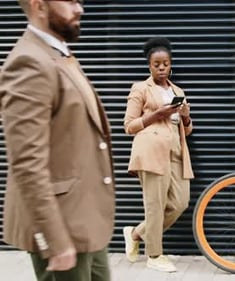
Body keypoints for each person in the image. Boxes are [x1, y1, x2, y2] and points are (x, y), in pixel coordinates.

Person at [0, 0, 115, 281]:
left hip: (83, 218)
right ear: (39, 6)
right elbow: (27, 163)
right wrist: (56, 240)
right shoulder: (28, 63)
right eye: (71, 1)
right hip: (62, 225)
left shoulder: (57, 54)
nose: (80, 9)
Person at [122, 37, 194, 272]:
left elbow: (188, 129)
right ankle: (154, 255)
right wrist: (158, 114)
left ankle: (135, 233)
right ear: (149, 66)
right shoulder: (140, 88)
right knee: (155, 205)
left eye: (165, 63)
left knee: (180, 203)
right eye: (156, 64)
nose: (161, 67)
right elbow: (129, 126)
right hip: (151, 151)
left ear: (171, 64)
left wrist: (184, 115)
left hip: (176, 151)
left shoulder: (177, 90)